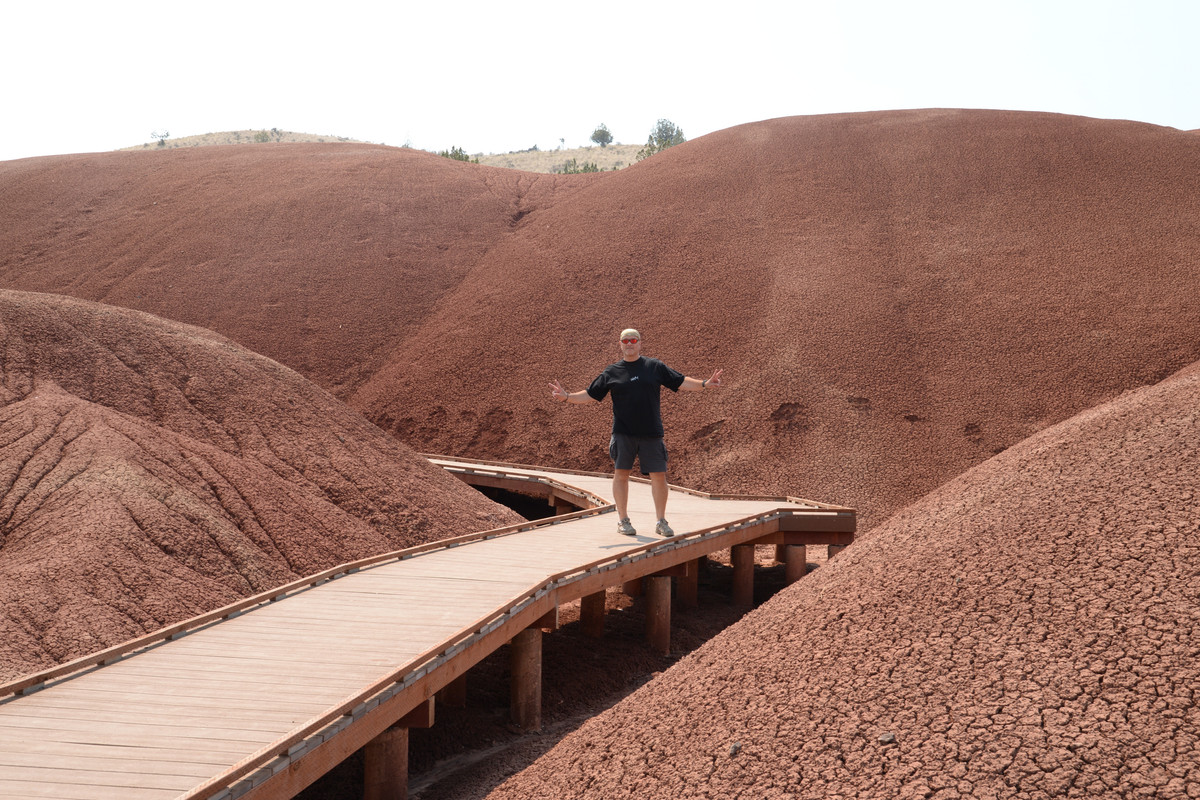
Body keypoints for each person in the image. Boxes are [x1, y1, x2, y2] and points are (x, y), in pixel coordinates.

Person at [549, 328, 722, 537]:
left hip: (652, 433)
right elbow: (591, 394)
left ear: (640, 344)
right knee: (621, 474)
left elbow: (680, 381)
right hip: (623, 433)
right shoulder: (612, 372)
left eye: (633, 340)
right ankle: (623, 520)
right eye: (625, 340)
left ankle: (661, 521)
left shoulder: (654, 366)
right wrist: (567, 397)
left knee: (659, 476)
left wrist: (705, 383)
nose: (629, 344)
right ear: (620, 345)